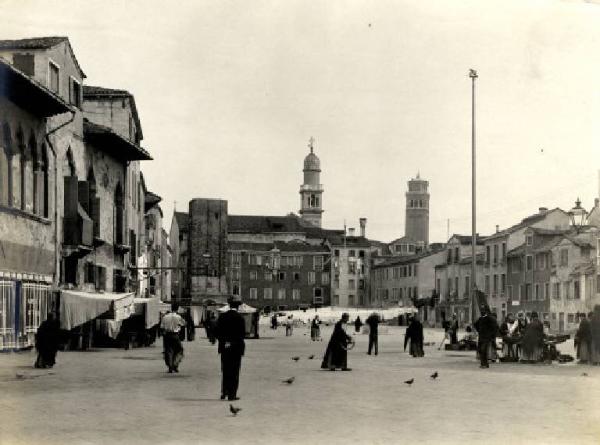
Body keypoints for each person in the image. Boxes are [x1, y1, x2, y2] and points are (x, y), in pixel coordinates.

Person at [216, 295, 246, 400]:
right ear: (238, 306)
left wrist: (225, 341)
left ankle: (224, 392)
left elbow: (217, 332)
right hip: (236, 348)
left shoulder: (222, 317)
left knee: (225, 370)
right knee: (234, 371)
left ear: (229, 305)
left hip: (225, 347)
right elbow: (242, 334)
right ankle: (232, 394)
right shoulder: (240, 318)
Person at [160, 303, 186, 373]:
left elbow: (162, 327)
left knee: (168, 351)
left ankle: (170, 366)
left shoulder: (165, 317)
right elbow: (184, 324)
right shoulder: (178, 317)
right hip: (175, 335)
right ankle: (175, 364)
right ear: (177, 309)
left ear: (171, 308)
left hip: (167, 335)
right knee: (179, 350)